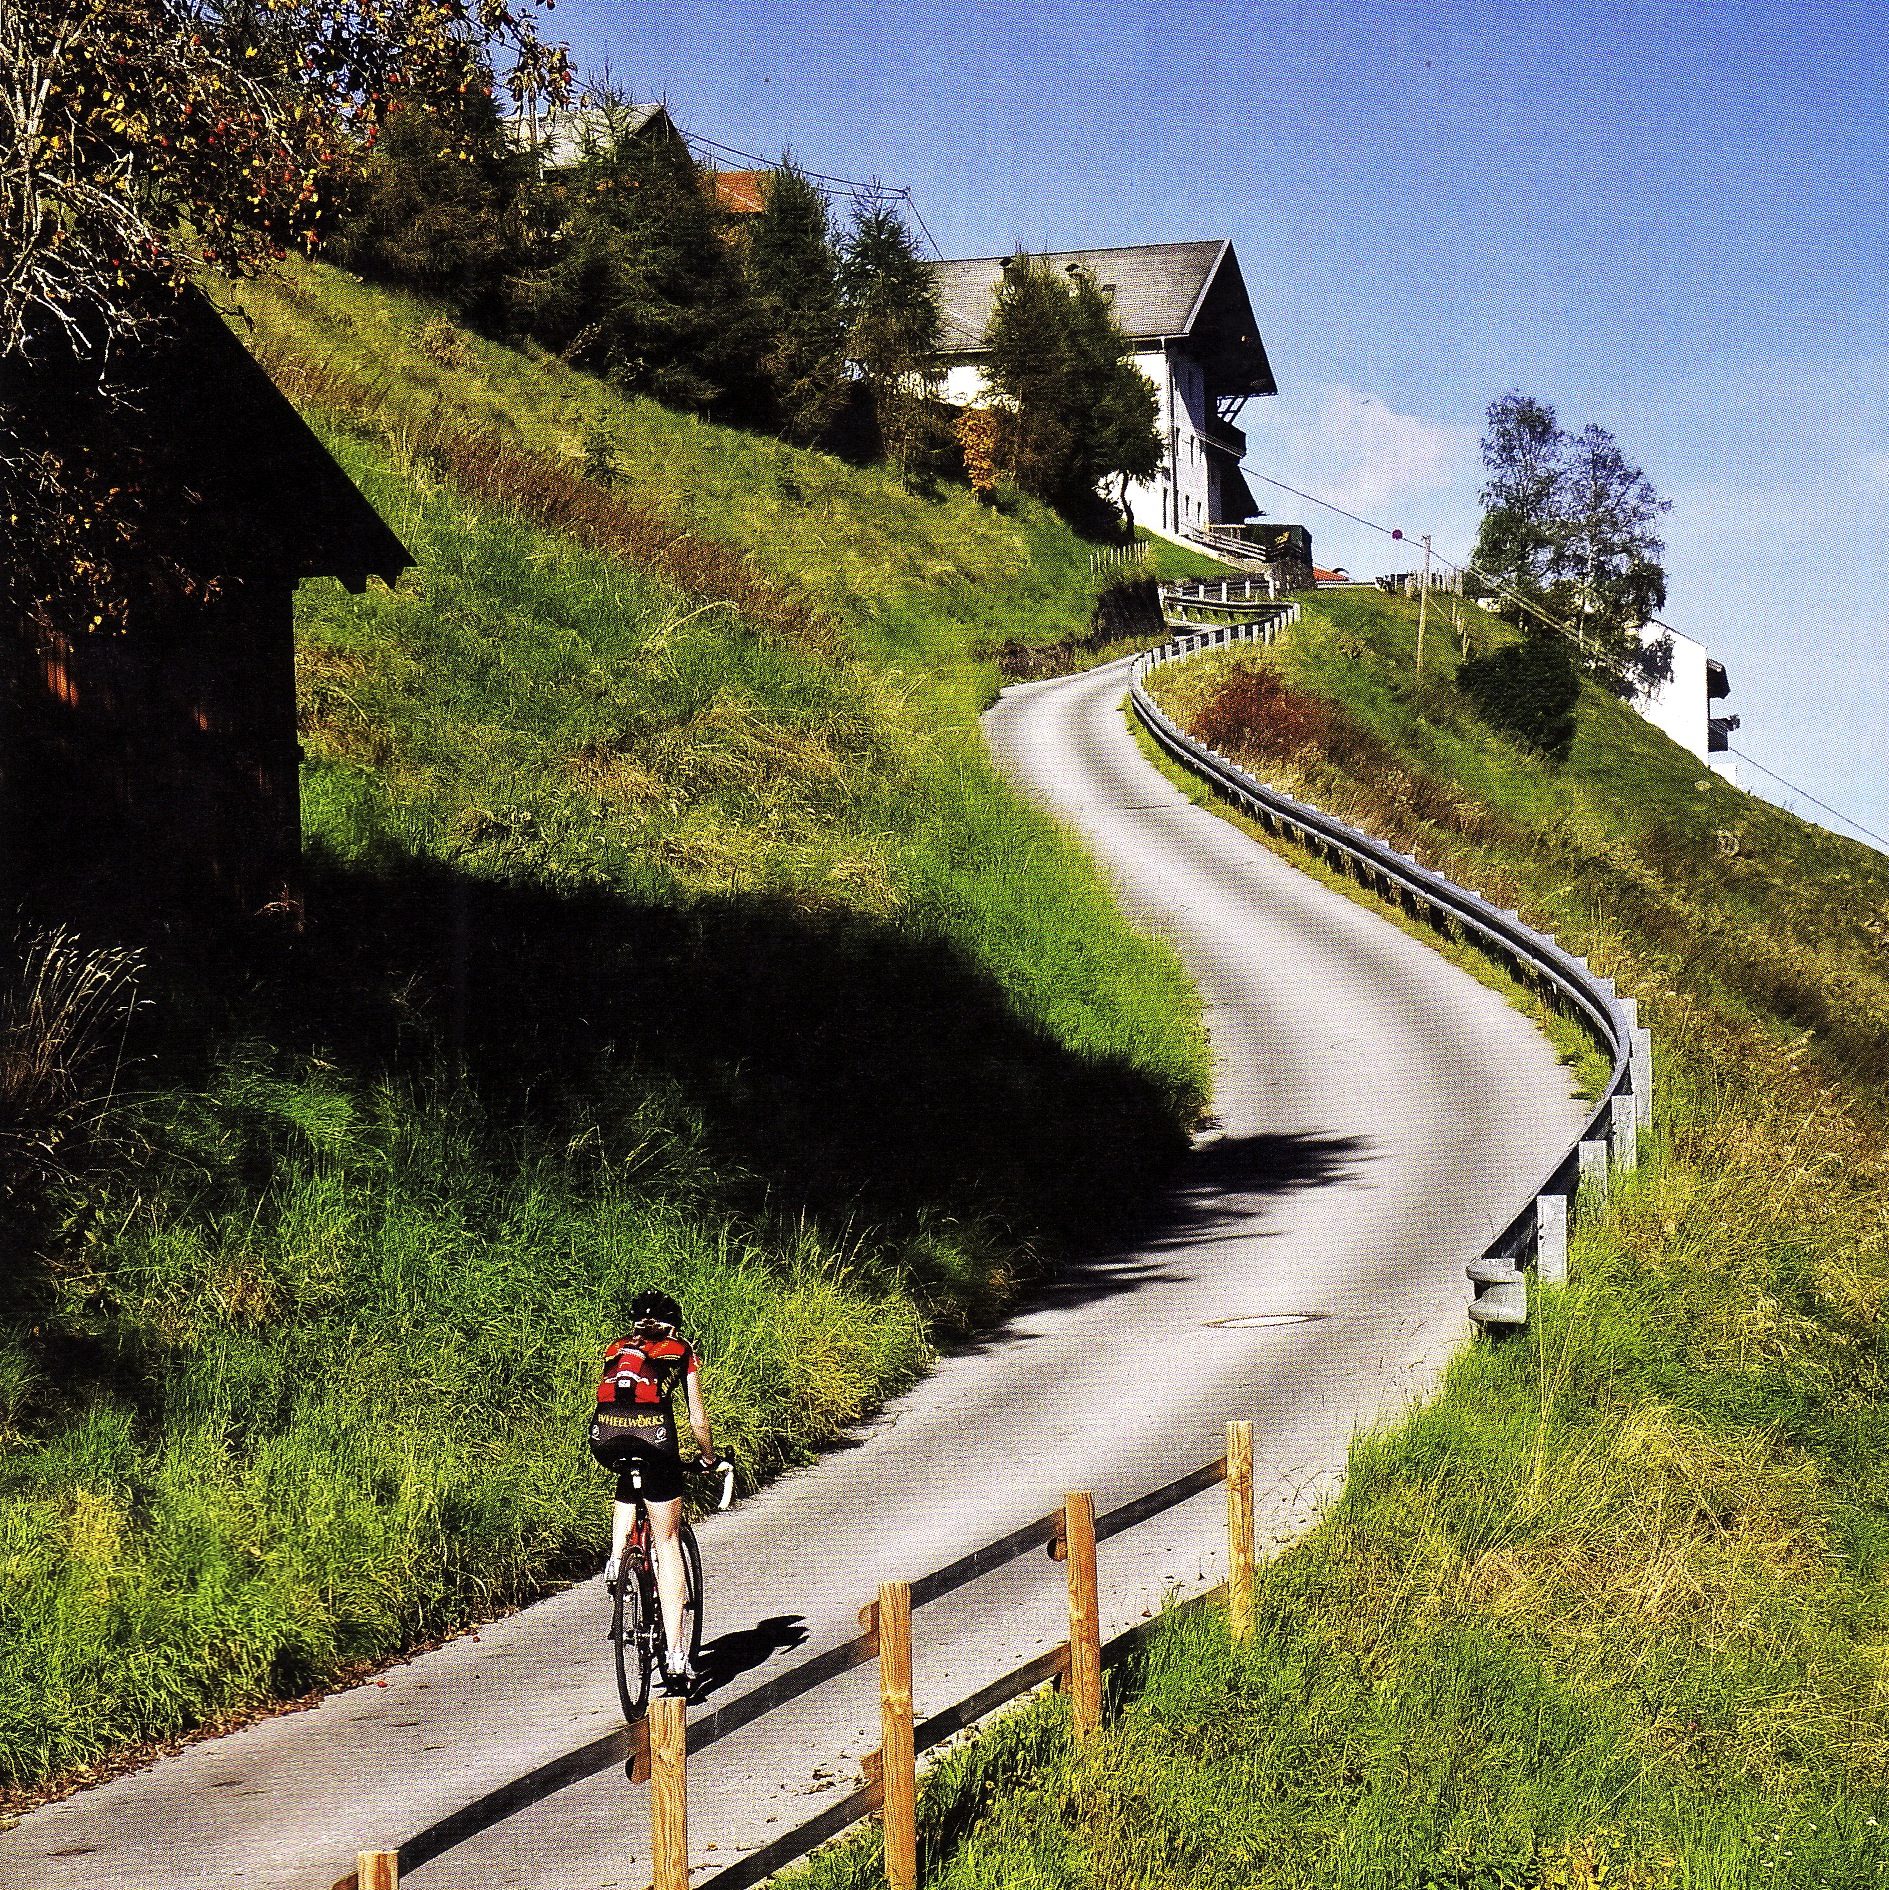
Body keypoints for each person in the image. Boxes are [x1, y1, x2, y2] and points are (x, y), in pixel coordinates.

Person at [592, 1289, 716, 1693]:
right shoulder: (680, 1350)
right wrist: (708, 1456)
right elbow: (697, 1418)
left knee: (628, 1475)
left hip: (604, 1437)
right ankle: (677, 1655)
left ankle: (616, 1559)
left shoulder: (616, 1348)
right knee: (667, 1540)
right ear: (673, 1323)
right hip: (655, 1439)